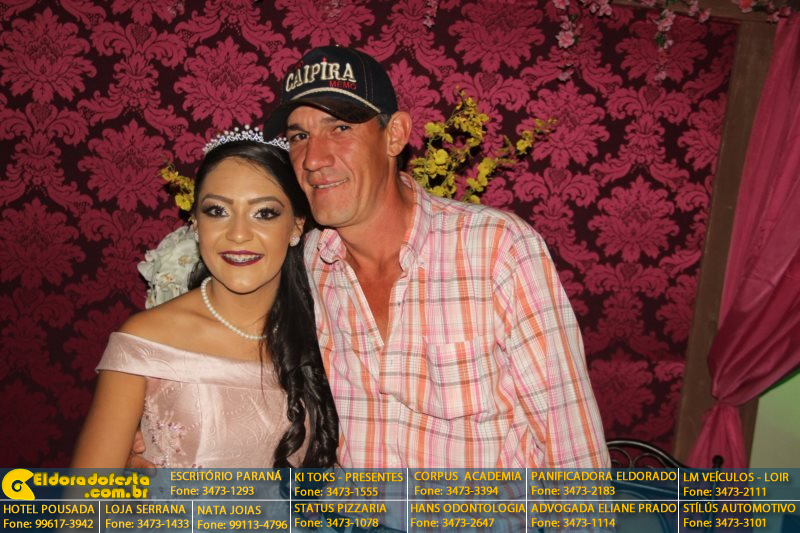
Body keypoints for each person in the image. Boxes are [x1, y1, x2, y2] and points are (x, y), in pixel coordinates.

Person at [263, 45, 610, 469]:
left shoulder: (497, 249)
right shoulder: (309, 261)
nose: (313, 159)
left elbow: (574, 454)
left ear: (394, 135)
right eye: (299, 136)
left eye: (340, 128)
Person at [71, 134, 338, 469]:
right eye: (218, 211)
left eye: (264, 213)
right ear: (196, 223)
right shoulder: (146, 341)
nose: (238, 234)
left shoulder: (327, 334)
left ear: (297, 225)